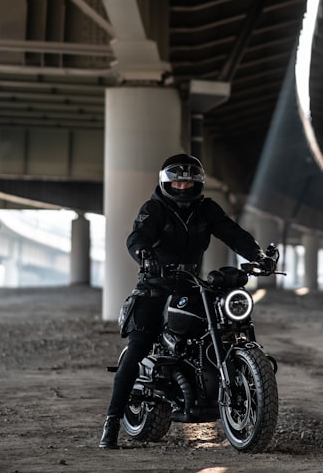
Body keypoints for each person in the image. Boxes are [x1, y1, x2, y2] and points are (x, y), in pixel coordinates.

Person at [99, 153, 273, 449]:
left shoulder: (206, 209)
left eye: (188, 182)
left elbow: (232, 233)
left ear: (197, 184)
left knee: (222, 326)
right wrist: (145, 256)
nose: (182, 187)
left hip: (192, 284)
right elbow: (137, 237)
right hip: (155, 285)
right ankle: (112, 422)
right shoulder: (155, 208)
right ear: (167, 183)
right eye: (177, 182)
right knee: (138, 346)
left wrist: (258, 256)